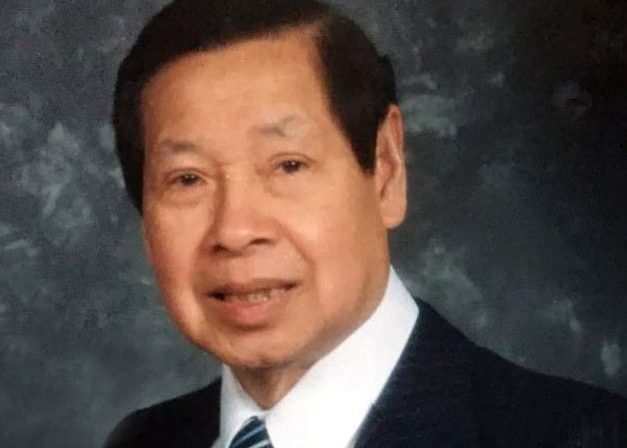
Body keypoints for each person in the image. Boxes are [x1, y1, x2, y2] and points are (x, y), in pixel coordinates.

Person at [104, 0, 626, 446]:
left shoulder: (582, 436)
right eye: (187, 179)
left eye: (288, 165)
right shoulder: (143, 439)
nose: (235, 231)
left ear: (387, 169)